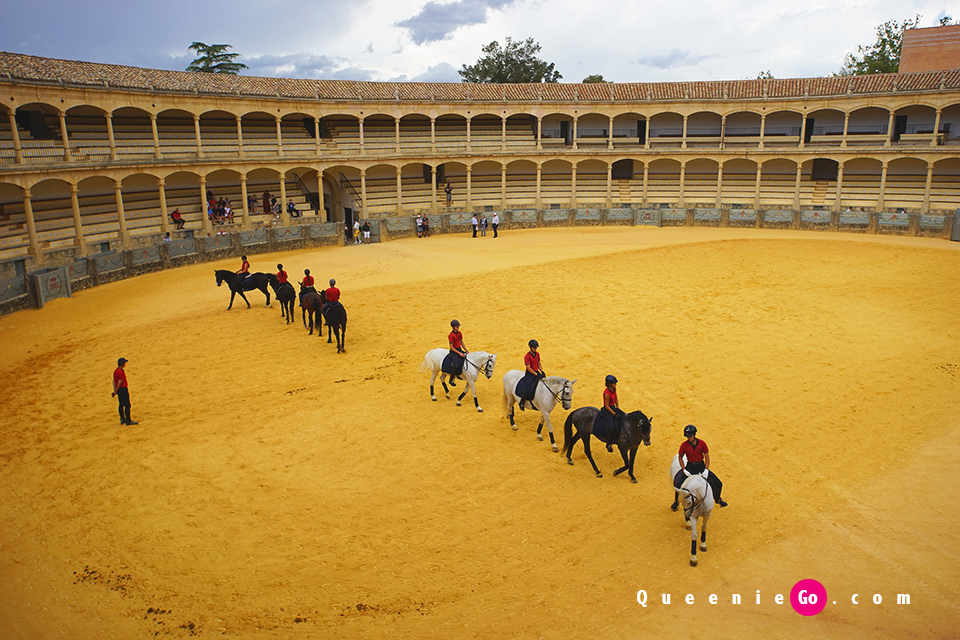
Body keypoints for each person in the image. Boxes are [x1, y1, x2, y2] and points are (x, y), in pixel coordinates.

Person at [674, 424, 727, 507]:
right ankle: (676, 501)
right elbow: (680, 457)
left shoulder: (702, 443)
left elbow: (706, 456)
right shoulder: (684, 445)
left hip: (701, 466)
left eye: (690, 436)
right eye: (687, 436)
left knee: (718, 483)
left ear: (694, 435)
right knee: (677, 482)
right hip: (690, 467)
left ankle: (718, 499)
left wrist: (706, 469)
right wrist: (684, 469)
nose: (688, 438)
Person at [599, 375, 626, 452]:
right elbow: (606, 406)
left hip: (613, 407)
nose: (616, 384)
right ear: (610, 384)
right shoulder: (606, 393)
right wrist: (614, 413)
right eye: (614, 383)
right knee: (611, 427)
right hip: (607, 410)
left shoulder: (614, 389)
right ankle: (609, 444)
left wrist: (618, 408)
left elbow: (616, 398)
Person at [518, 339, 544, 411]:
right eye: (534, 347)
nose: (535, 349)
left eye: (536, 347)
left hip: (536, 372)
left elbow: (539, 363)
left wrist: (542, 371)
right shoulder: (527, 356)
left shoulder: (537, 354)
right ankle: (522, 402)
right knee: (528, 388)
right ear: (530, 347)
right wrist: (536, 374)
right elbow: (528, 368)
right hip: (530, 374)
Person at [111, 357, 138, 425]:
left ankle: (122, 418)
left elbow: (114, 381)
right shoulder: (120, 372)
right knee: (127, 405)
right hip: (123, 389)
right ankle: (128, 420)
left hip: (119, 390)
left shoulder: (116, 371)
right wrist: (115, 390)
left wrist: (115, 389)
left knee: (121, 404)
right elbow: (120, 382)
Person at [447, 319, 467, 385]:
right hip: (454, 351)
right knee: (456, 365)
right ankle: (451, 379)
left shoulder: (459, 333)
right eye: (457, 326)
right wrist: (459, 353)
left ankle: (459, 374)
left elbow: (462, 342)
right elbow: (451, 347)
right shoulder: (451, 335)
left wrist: (466, 350)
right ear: (453, 327)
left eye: (458, 326)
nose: (458, 327)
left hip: (459, 349)